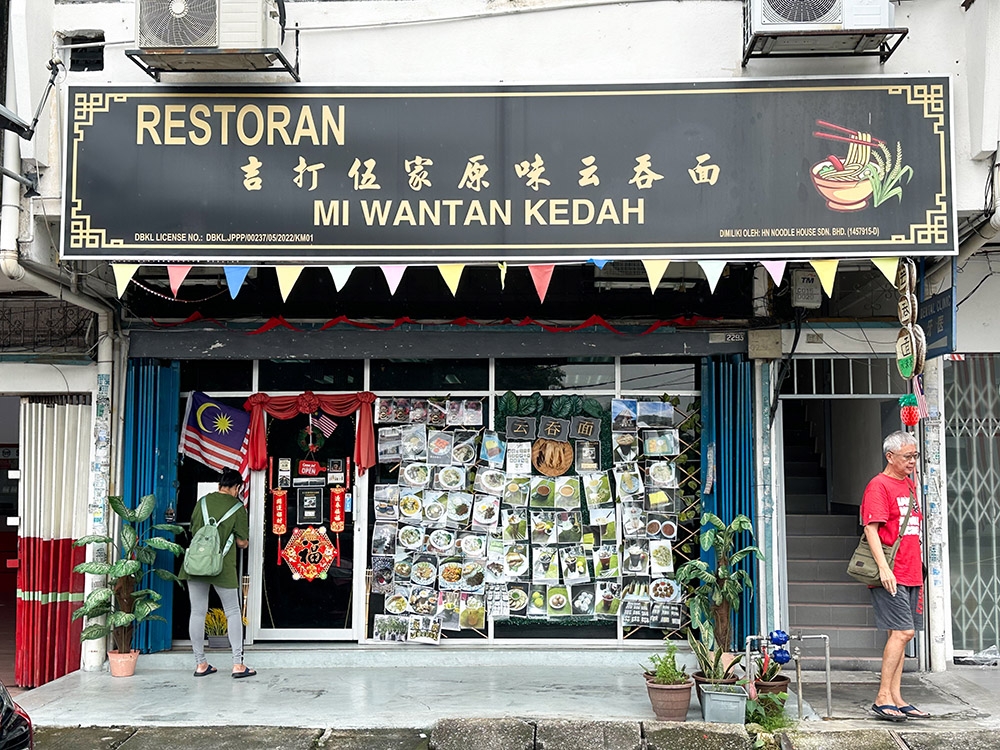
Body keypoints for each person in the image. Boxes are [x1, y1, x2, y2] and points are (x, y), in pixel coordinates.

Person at [861, 430, 928, 721]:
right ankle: (882, 697)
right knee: (903, 632)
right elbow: (871, 529)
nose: (913, 461)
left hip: (913, 570)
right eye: (907, 456)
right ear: (890, 457)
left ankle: (896, 696)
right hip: (892, 572)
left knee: (898, 636)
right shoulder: (878, 486)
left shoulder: (910, 485)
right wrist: (884, 569)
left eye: (914, 456)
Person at [179, 468, 255, 679]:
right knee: (232, 611)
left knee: (197, 612)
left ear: (219, 485)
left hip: (196, 565)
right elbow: (242, 542)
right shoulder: (237, 507)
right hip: (222, 567)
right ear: (237, 487)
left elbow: (194, 531)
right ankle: (238, 664)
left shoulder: (201, 503)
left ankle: (200, 663)